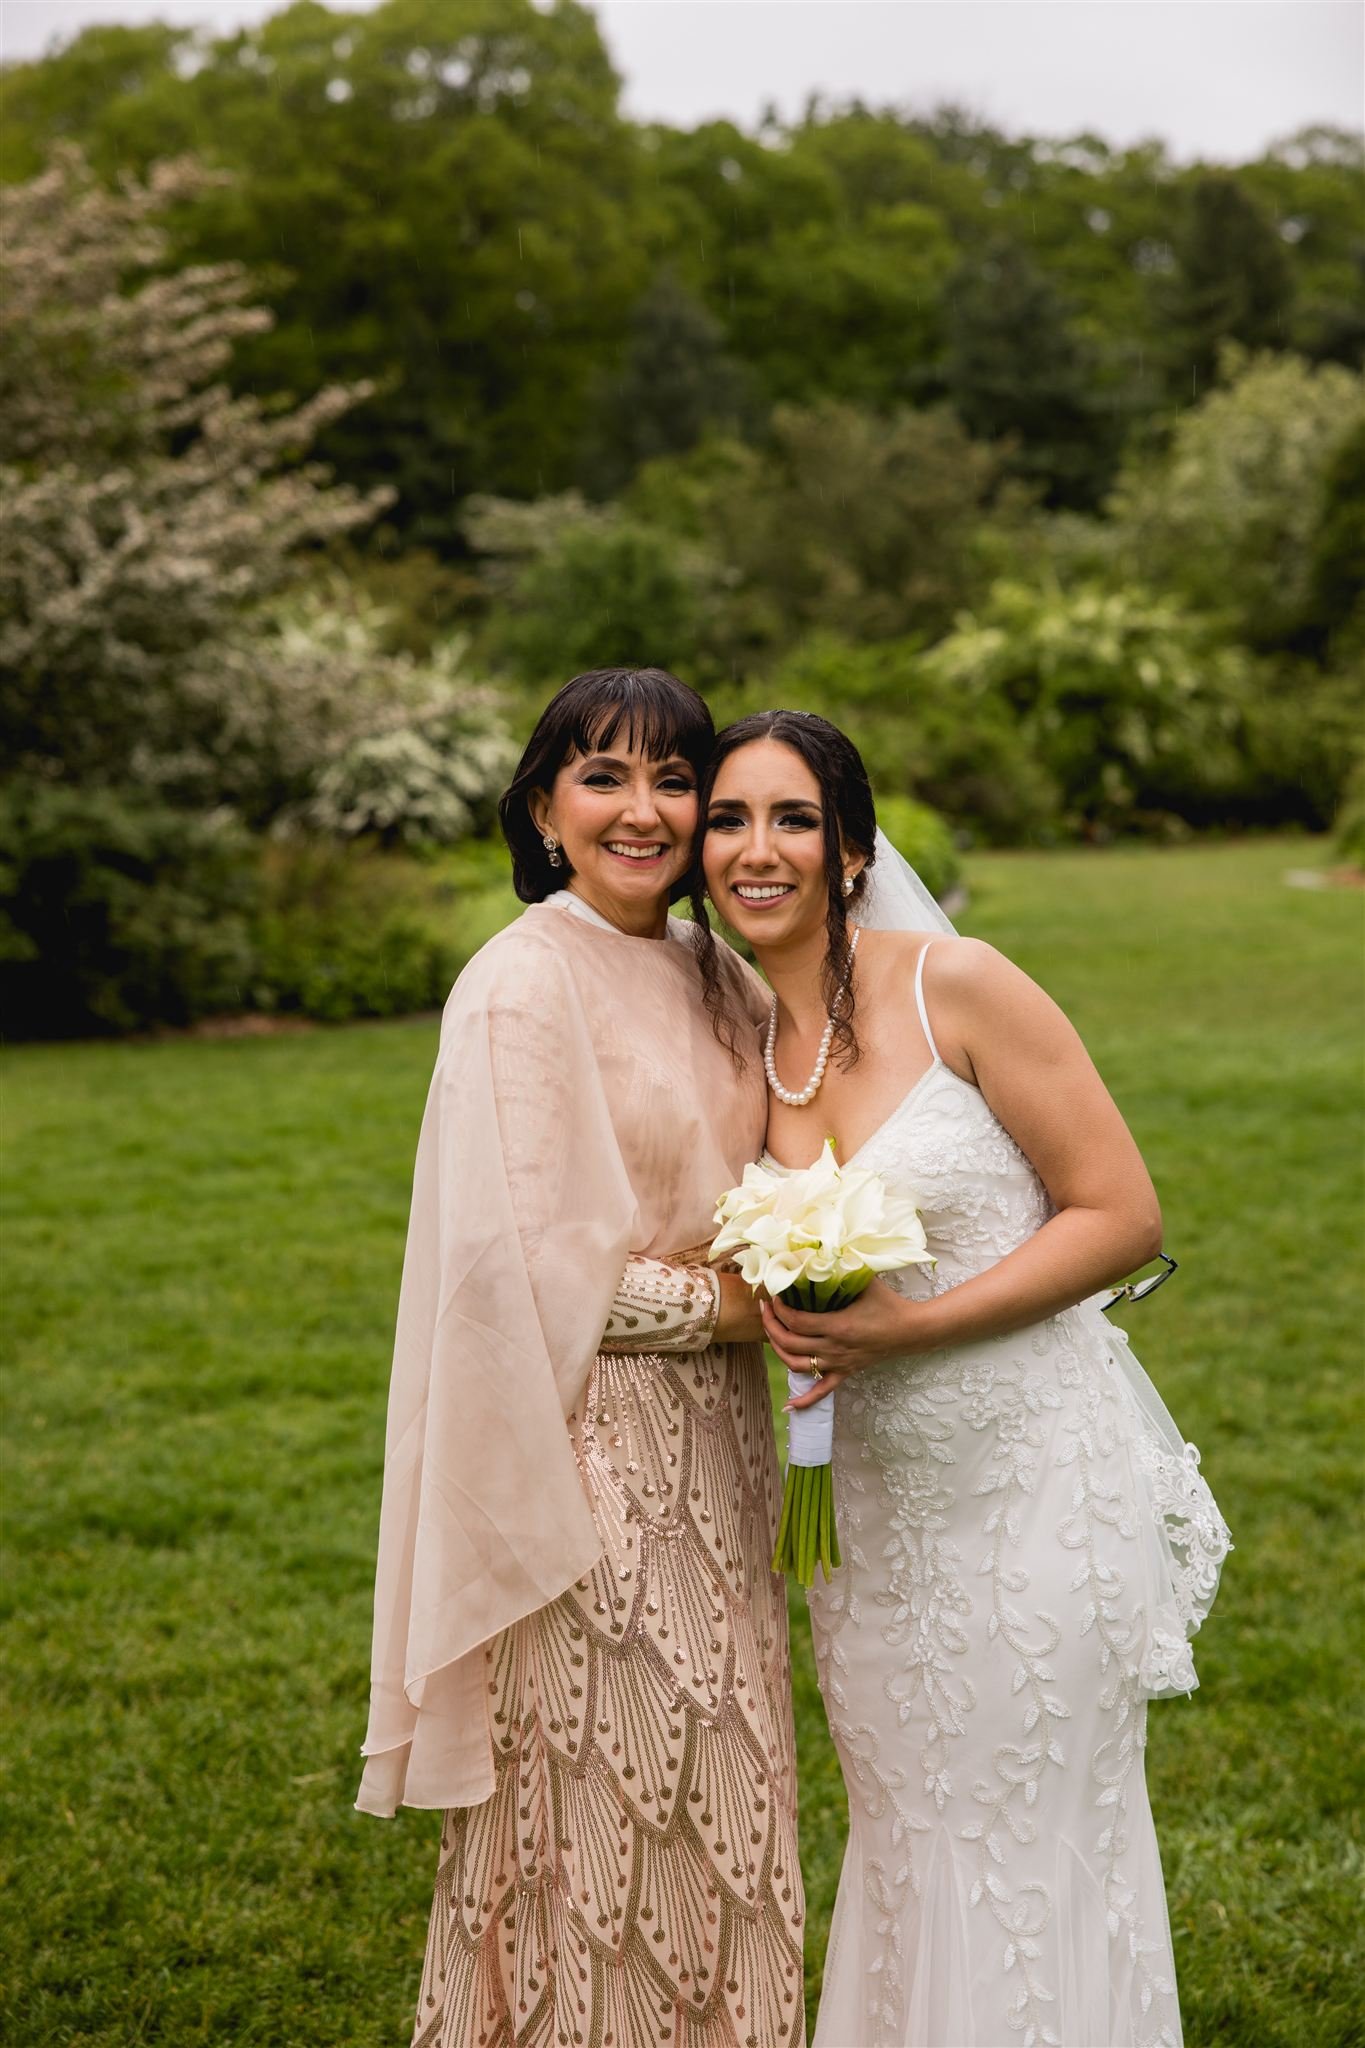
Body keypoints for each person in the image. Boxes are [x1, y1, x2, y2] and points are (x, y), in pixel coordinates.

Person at [695, 709, 1230, 2048]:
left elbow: (1118, 1215)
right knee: (909, 1833)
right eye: (727, 819)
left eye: (792, 817)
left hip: (1030, 1485)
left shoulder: (958, 985)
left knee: (1032, 1837)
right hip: (873, 1517)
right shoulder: (734, 1041)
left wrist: (905, 1333)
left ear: (854, 849)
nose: (756, 849)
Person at [357, 671, 805, 2048]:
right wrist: (740, 1309)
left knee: (733, 1804)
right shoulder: (519, 983)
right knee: (631, 1804)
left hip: (723, 1457)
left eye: (674, 779)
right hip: (582, 1457)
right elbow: (528, 1266)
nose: (643, 809)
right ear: (543, 806)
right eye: (602, 776)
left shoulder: (715, 972)